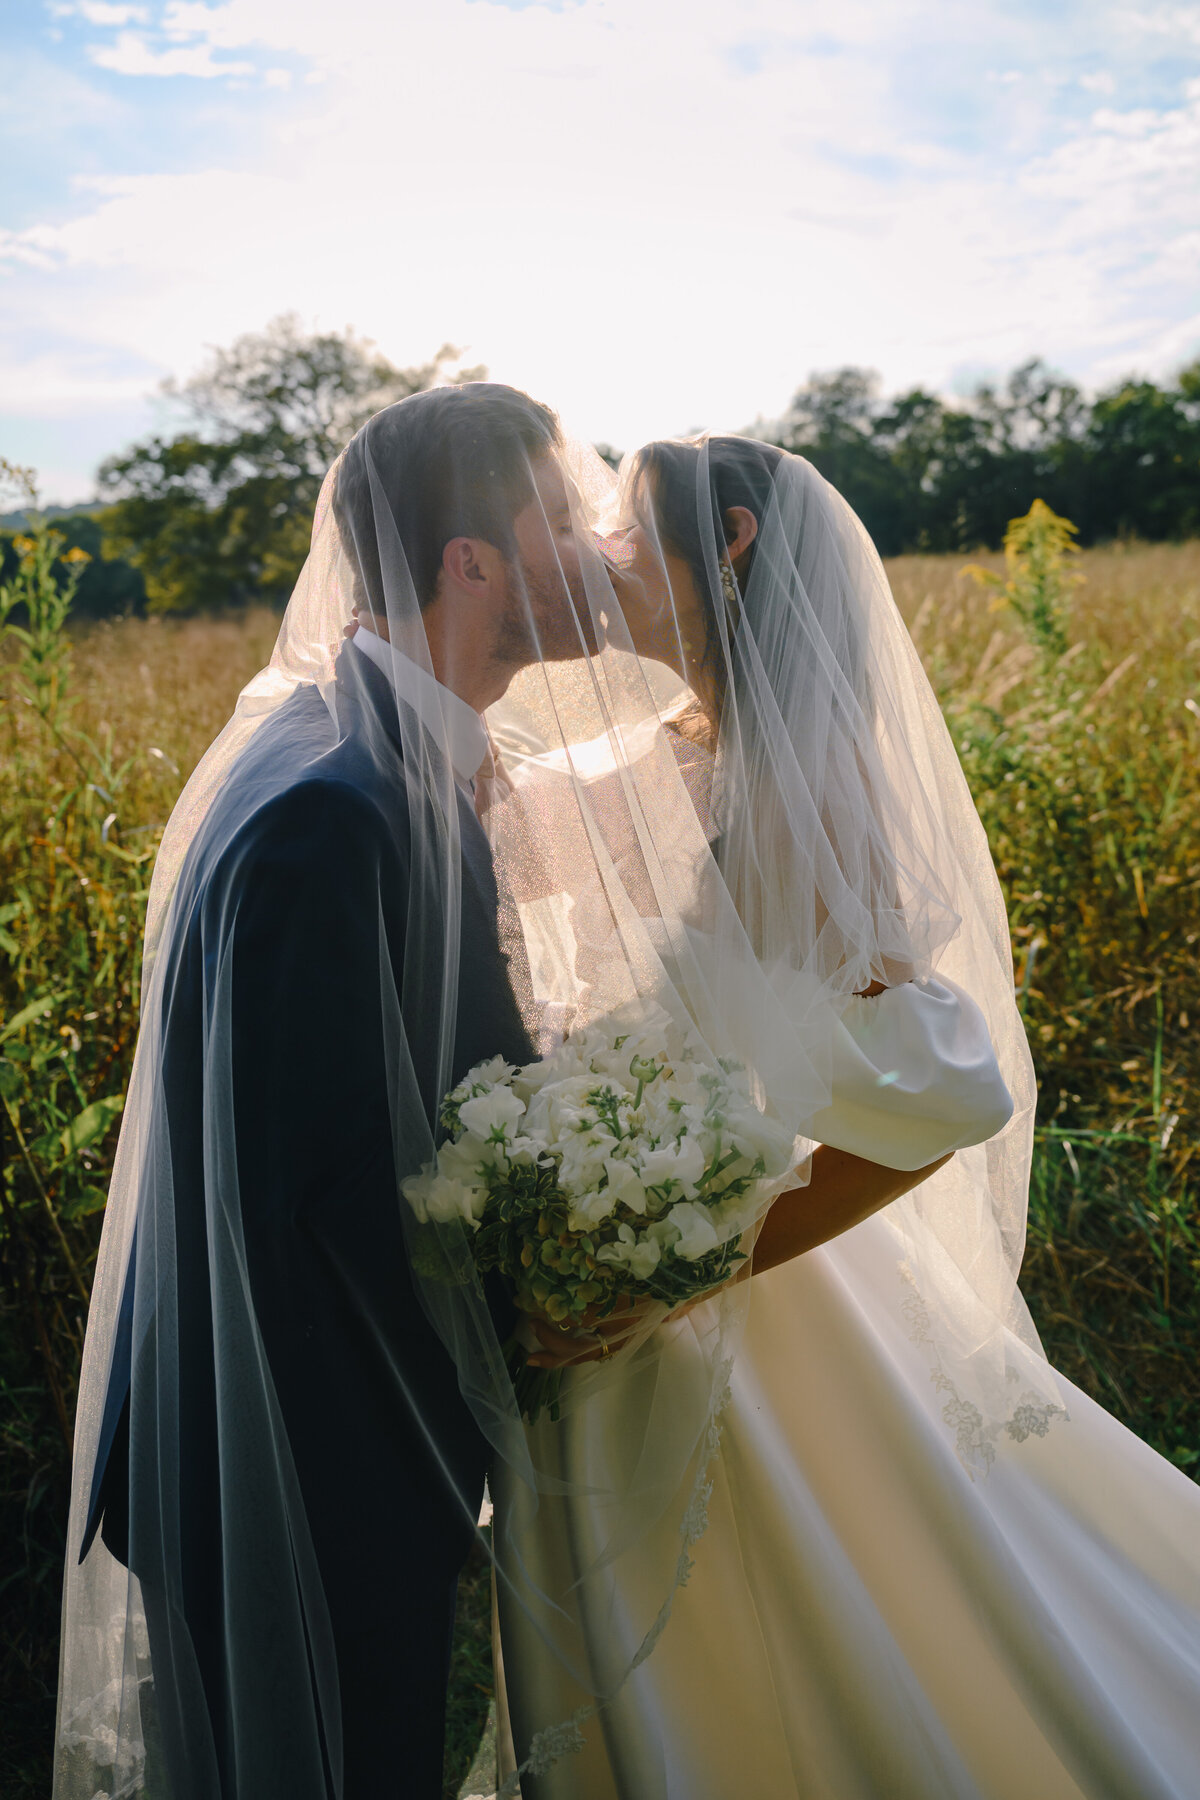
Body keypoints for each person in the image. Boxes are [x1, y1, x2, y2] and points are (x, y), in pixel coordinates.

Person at [486, 436, 1200, 1798]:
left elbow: (943, 1097)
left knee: (865, 1614)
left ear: (732, 542)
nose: (595, 561)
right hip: (632, 1246)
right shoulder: (660, 753)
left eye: (626, 534)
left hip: (740, 1285)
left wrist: (694, 1264)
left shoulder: (818, 793)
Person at [54, 382, 602, 1800]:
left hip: (321, 1453)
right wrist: (576, 1285)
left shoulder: (353, 753)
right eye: (558, 519)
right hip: (302, 1472)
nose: (592, 547)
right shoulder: (330, 813)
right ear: (470, 564)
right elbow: (327, 1199)